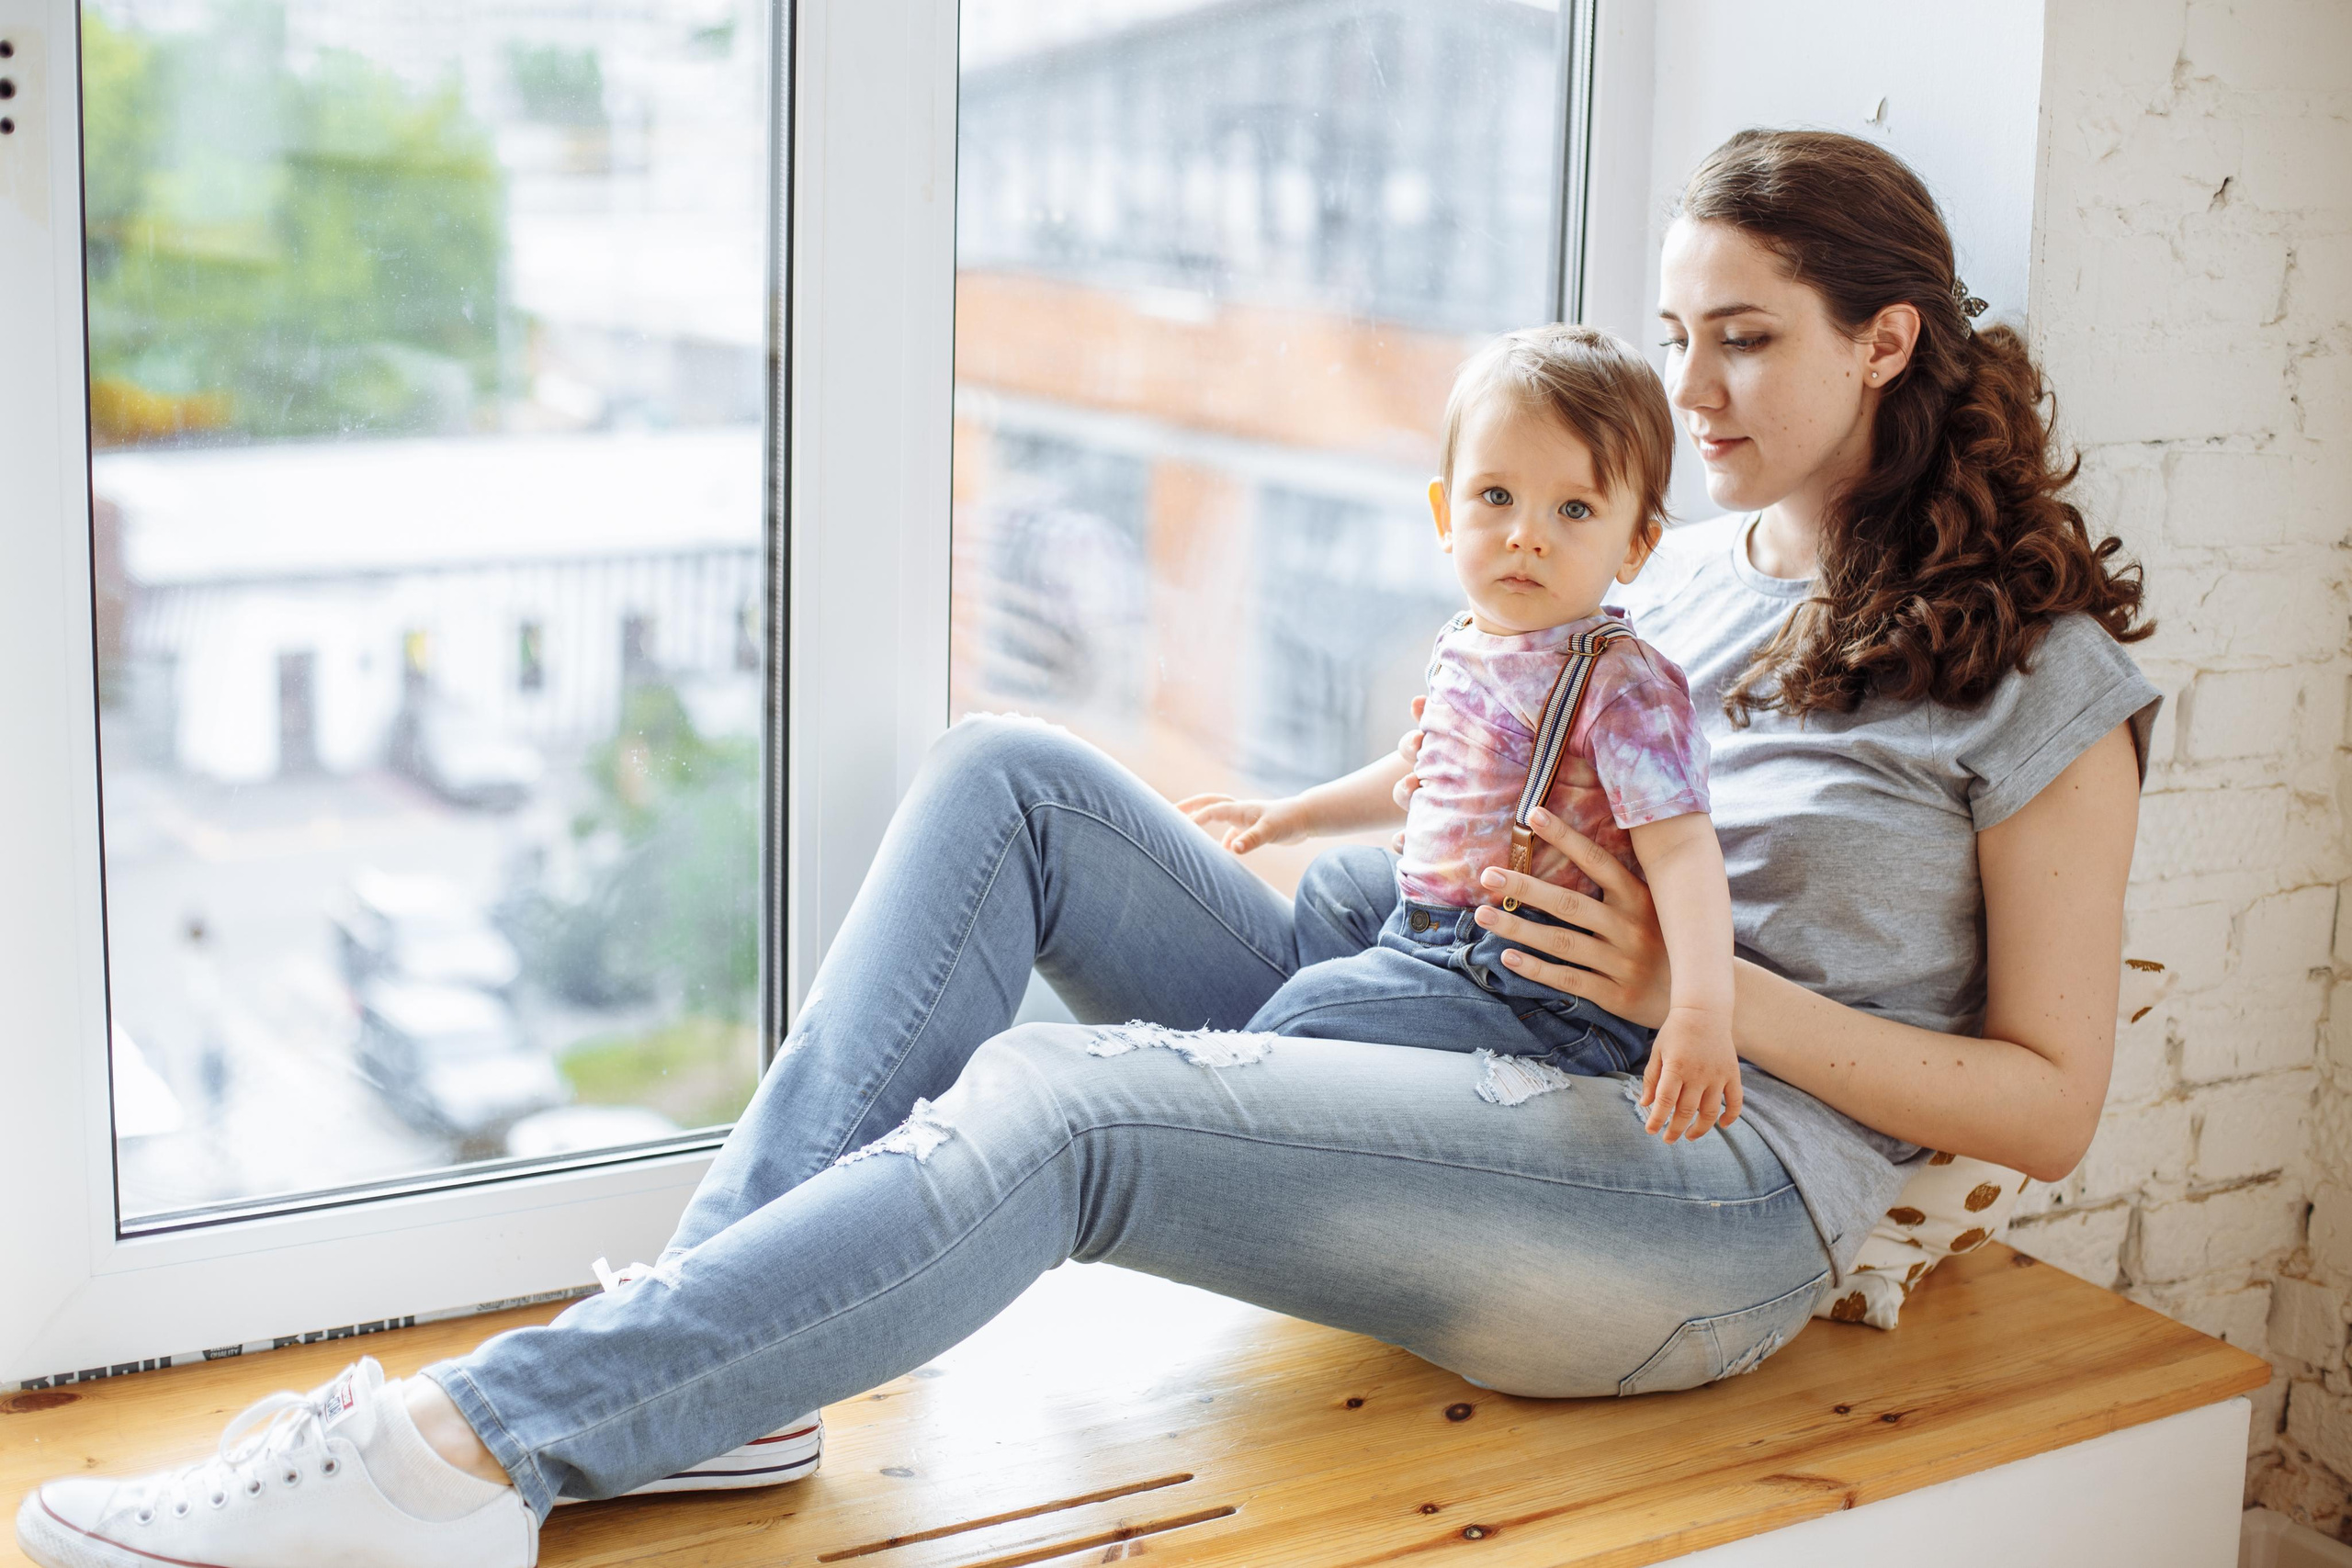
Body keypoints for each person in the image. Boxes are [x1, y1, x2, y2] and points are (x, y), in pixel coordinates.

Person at [14, 126, 2160, 1568]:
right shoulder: (1684, 567)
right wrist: (1367, 834)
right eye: (1675, 335)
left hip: (1703, 1189)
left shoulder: (2038, 676)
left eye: (1743, 338)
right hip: (1476, 1010)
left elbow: (2047, 1103)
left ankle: (462, 1452)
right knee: (1007, 777)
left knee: (1068, 1103)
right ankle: (710, 1379)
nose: (1687, 384)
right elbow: (1505, 759)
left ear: (1885, 339)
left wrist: (1700, 990)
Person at [1181, 323, 1738, 1143]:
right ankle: (1359, 1074)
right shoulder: (1466, 640)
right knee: (1335, 882)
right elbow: (1419, 769)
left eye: (1574, 509)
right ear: (1446, 513)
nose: (1526, 535)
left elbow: (1686, 853)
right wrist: (1292, 814)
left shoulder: (1622, 687)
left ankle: (1247, 1096)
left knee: (1303, 1014)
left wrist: (1699, 1011)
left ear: (1635, 544)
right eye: (1497, 497)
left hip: (1539, 992)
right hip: (1444, 932)